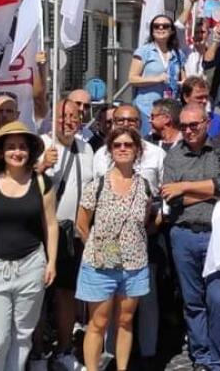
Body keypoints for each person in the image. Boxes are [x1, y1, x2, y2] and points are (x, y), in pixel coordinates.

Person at [0, 121, 57, 370]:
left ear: (30, 150)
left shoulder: (42, 182)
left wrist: (51, 262)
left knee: (22, 336)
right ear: (1, 151)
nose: (17, 152)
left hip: (31, 265)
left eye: (22, 147)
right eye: (11, 147)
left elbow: (50, 225)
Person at [75, 127, 158, 371]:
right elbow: (82, 224)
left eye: (128, 145)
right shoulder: (97, 185)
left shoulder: (143, 186)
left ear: (137, 150)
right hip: (101, 263)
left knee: (125, 320)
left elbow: (144, 220)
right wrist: (101, 249)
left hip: (134, 263)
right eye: (117, 145)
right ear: (111, 150)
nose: (123, 149)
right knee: (98, 322)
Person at [162, 104, 220, 371]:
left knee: (218, 299)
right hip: (183, 234)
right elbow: (171, 197)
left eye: (194, 125)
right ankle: (201, 357)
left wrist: (185, 186)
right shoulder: (174, 155)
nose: (189, 131)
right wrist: (210, 189)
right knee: (193, 301)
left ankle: (219, 359)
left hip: (217, 235)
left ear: (206, 123)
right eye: (184, 126)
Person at [41, 99, 95, 371]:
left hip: (71, 235)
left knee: (66, 294)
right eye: (63, 116)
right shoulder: (41, 144)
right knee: (37, 297)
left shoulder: (86, 149)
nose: (69, 121)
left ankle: (63, 350)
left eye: (74, 116)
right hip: (41, 233)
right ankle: (37, 353)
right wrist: (40, 167)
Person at [129, 14, 186, 136]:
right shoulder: (144, 51)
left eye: (165, 26)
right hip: (147, 109)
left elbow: (183, 78)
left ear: (171, 31)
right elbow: (132, 79)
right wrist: (157, 79)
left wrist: (182, 83)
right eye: (156, 26)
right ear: (152, 30)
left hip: (170, 109)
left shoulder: (178, 53)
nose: (160, 28)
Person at [93, 105, 167, 190]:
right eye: (120, 120)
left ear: (140, 124)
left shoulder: (157, 154)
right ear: (113, 123)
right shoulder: (101, 155)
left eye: (131, 121)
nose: (126, 124)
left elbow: (165, 189)